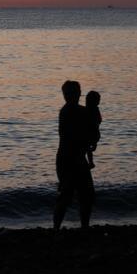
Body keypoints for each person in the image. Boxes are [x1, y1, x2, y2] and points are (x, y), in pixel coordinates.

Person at [53, 80, 97, 233]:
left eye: (73, 93)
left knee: (86, 194)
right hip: (67, 159)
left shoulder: (81, 111)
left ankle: (84, 226)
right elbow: (83, 134)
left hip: (77, 158)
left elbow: (90, 132)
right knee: (67, 195)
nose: (70, 96)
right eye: (67, 94)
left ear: (78, 94)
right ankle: (56, 228)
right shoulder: (67, 112)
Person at [85, 90, 102, 169]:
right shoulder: (95, 109)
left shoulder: (87, 109)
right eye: (98, 100)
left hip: (92, 133)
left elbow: (99, 120)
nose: (99, 102)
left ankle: (91, 162)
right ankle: (91, 162)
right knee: (89, 148)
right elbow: (99, 120)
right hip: (94, 133)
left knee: (88, 148)